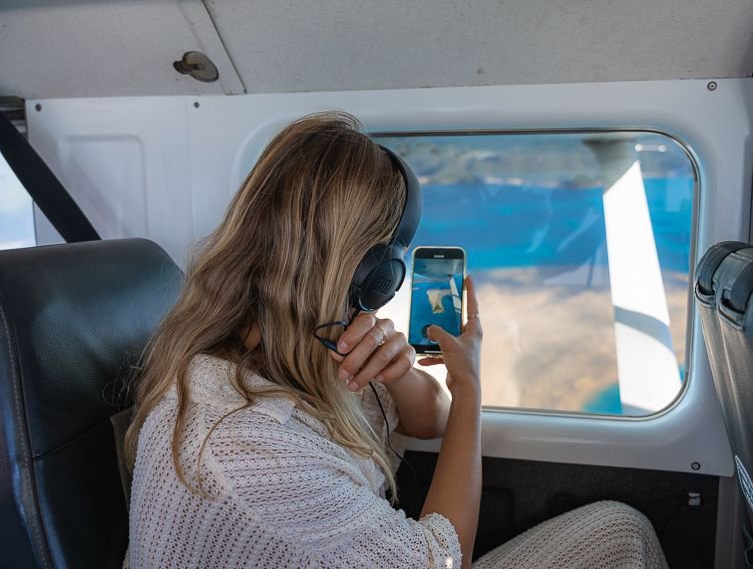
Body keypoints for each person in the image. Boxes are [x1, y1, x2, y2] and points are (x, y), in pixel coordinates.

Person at [123, 112, 668, 569]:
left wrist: (401, 372)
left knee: (622, 531)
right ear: (370, 270)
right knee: (621, 537)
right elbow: (441, 559)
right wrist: (471, 387)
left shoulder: (287, 349)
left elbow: (426, 420)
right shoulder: (244, 444)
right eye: (392, 255)